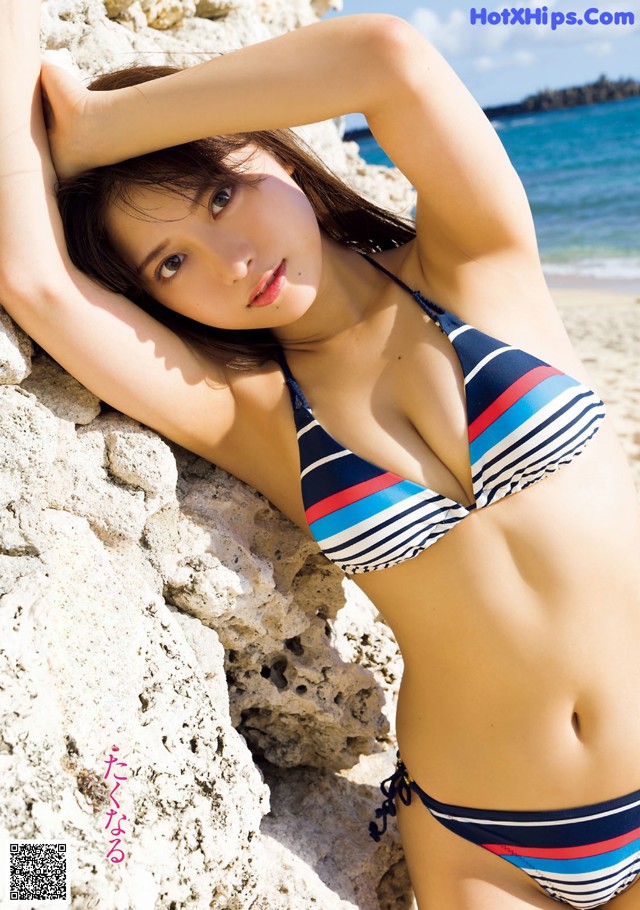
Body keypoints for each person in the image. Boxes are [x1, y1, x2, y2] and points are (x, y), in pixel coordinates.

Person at [2, 2, 639, 908]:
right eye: (171, 265)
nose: (228, 260)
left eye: (220, 195)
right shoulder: (248, 412)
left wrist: (101, 126)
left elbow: (390, 59)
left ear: (274, 153)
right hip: (486, 839)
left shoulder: (479, 266)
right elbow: (33, 278)